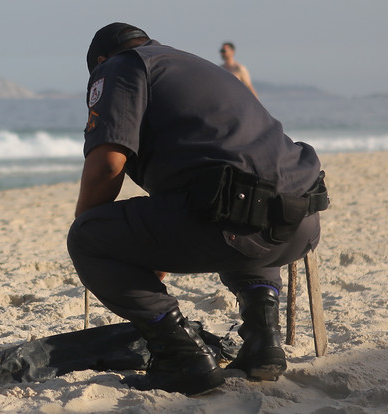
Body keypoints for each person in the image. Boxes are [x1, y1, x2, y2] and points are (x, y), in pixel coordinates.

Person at [67, 23, 328, 395]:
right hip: (301, 222)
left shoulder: (119, 68)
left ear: (101, 62)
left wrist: (92, 234)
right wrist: (147, 253)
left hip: (234, 223)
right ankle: (262, 339)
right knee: (246, 199)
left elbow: (107, 166)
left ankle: (181, 355)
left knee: (87, 236)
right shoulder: (196, 67)